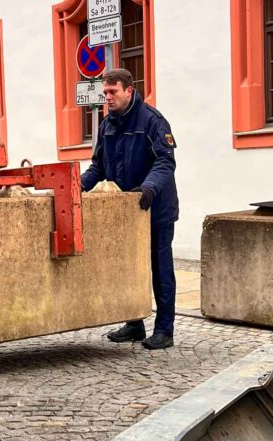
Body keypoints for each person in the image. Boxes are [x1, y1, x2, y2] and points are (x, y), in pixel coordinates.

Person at [81, 68, 179, 350]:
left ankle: (164, 330)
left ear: (129, 91)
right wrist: (78, 187)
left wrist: (147, 188)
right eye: (105, 93)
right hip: (124, 214)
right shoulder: (107, 125)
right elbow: (98, 166)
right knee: (127, 269)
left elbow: (165, 162)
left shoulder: (153, 121)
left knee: (160, 268)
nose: (107, 98)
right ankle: (134, 324)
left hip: (155, 207)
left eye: (112, 93)